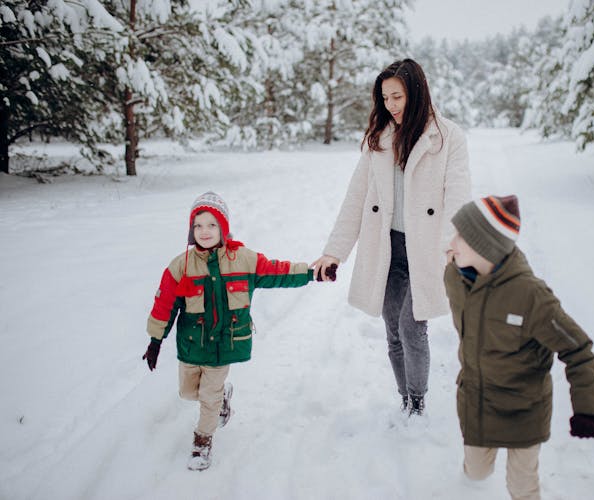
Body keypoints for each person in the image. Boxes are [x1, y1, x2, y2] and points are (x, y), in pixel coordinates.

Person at [312, 58, 471, 416]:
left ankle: (418, 401)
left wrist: (453, 248)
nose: (391, 106)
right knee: (392, 329)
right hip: (388, 249)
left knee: (411, 327)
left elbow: (458, 196)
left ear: (416, 92)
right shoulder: (379, 140)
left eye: (397, 96)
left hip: (428, 251)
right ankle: (405, 398)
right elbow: (356, 199)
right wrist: (333, 252)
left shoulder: (447, 138)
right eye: (385, 98)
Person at [143, 191, 325, 471]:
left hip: (225, 344)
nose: (205, 231)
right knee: (188, 392)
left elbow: (278, 271)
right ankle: (222, 398)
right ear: (192, 230)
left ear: (223, 228)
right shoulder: (181, 266)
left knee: (208, 397)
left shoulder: (242, 259)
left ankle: (202, 441)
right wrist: (156, 340)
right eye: (198, 225)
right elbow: (164, 304)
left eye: (212, 225)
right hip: (192, 345)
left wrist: (312, 273)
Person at [443, 194, 594, 500]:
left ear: (484, 247)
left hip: (524, 410)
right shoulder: (455, 276)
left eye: (460, 236)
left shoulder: (531, 297)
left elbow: (578, 349)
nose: (450, 244)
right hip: (477, 402)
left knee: (521, 486)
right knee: (476, 472)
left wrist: (587, 408)